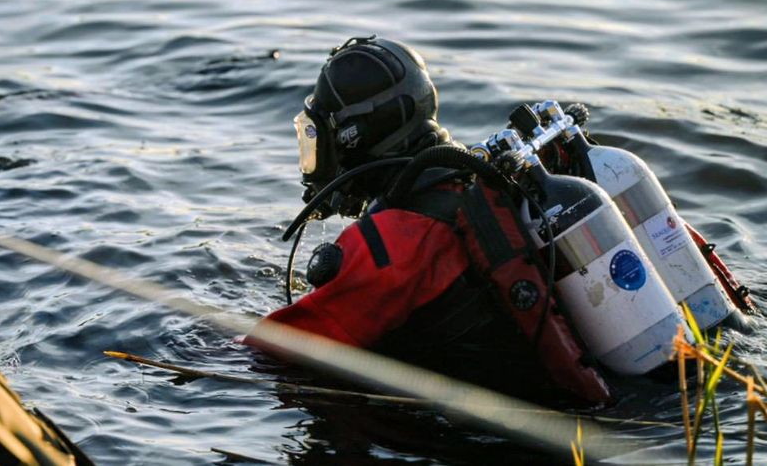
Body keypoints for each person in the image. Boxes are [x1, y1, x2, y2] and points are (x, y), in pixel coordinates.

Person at [252, 36, 609, 402]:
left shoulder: (393, 244)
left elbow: (274, 352)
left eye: (317, 137)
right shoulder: (473, 182)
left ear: (351, 137)